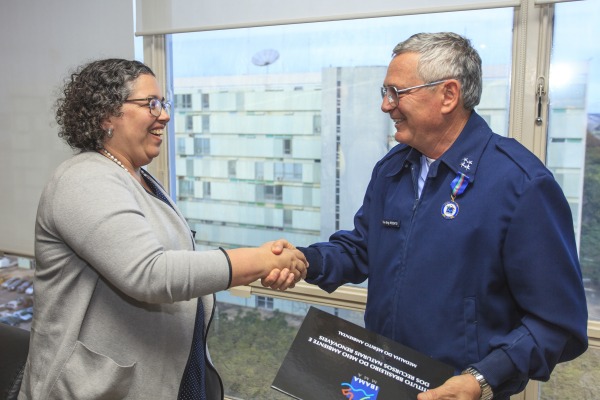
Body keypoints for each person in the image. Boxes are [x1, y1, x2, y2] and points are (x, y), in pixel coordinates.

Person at [269, 32, 588, 399]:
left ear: (448, 95)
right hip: (382, 382)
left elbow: (557, 325)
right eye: (384, 93)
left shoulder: (521, 184)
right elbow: (362, 249)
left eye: (396, 93)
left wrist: (481, 379)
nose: (386, 106)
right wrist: (304, 260)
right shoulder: (392, 169)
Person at [19, 58, 308, 400]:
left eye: (164, 103)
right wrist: (260, 261)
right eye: (151, 104)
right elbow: (150, 274)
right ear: (106, 115)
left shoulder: (137, 177)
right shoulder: (83, 179)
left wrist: (266, 263)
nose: (165, 115)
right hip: (96, 389)